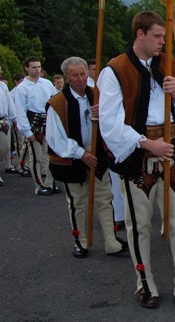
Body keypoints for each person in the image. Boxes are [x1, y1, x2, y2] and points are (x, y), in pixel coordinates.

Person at [98, 11, 175, 309]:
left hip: (171, 153)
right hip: (139, 155)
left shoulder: (170, 64)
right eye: (157, 36)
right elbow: (109, 123)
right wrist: (148, 143)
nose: (162, 42)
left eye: (163, 36)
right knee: (140, 224)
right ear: (140, 34)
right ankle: (144, 282)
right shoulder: (114, 71)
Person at [45, 57, 127, 258]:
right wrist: (81, 154)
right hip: (71, 155)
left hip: (97, 152)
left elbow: (117, 118)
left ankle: (110, 240)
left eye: (83, 74)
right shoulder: (57, 103)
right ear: (66, 77)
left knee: (104, 198)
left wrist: (105, 113)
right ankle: (79, 240)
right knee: (77, 201)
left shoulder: (97, 96)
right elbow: (56, 138)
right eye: (75, 75)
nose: (81, 79)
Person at [14, 56, 58, 195]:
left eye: (39, 67)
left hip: (48, 122)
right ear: (26, 68)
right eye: (34, 67)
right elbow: (20, 111)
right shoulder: (22, 88)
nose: (37, 70)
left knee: (51, 155)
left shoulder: (46, 83)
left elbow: (54, 102)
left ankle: (50, 183)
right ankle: (39, 186)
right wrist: (27, 131)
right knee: (37, 157)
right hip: (33, 123)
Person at [0, 71, 16, 187]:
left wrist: (14, 118)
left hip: (3, 121)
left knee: (5, 147)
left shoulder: (3, 86)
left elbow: (10, 103)